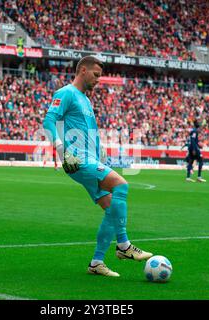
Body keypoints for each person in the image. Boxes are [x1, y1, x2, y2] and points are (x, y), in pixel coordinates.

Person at [43, 56, 153, 277]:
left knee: (112, 207)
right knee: (122, 185)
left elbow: (88, 129)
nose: (98, 80)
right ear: (82, 70)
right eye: (95, 75)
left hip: (91, 158)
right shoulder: (66, 93)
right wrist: (61, 149)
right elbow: (48, 121)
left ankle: (96, 263)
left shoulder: (85, 99)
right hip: (77, 159)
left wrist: (100, 149)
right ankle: (123, 246)